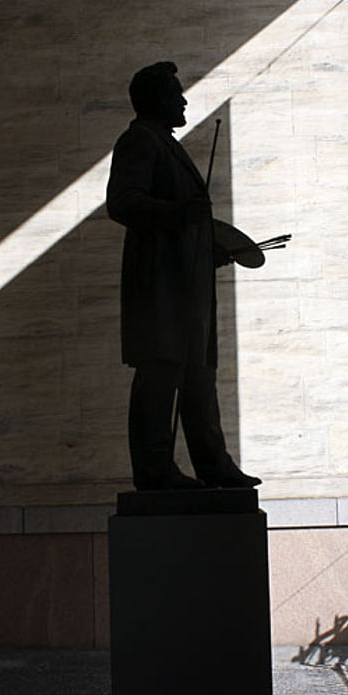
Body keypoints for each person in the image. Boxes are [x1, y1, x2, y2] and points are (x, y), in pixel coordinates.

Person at [106, 60, 262, 492]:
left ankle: (214, 465)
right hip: (160, 291)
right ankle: (155, 471)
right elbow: (121, 203)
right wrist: (179, 214)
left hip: (184, 288)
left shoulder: (163, 144)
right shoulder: (139, 140)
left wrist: (204, 251)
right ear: (157, 99)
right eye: (176, 92)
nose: (184, 99)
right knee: (159, 377)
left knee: (198, 377)